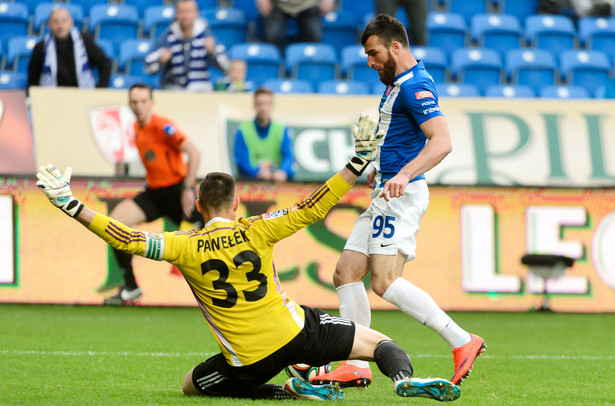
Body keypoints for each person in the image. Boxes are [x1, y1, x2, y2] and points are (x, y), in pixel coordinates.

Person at [35, 114, 461, 401]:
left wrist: (71, 205)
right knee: (382, 343)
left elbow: (126, 237)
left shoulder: (182, 245)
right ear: (236, 205)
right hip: (295, 335)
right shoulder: (257, 228)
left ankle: (284, 392)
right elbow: (313, 206)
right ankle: (405, 379)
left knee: (190, 386)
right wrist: (356, 161)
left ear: (198, 207)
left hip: (247, 361)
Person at [312, 14, 485, 389]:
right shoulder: (396, 85)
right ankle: (356, 362)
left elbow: (441, 141)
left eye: (373, 54)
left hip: (401, 196)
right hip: (384, 192)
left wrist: (404, 173)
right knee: (345, 273)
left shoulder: (414, 85)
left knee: (386, 281)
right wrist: (382, 167)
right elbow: (403, 138)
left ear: (395, 46)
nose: (370, 62)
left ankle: (461, 340)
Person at [103, 83, 203, 305]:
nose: (139, 106)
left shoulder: (163, 126)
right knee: (115, 224)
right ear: (129, 104)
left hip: (178, 193)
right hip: (155, 194)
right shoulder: (136, 127)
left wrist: (188, 188)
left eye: (143, 101)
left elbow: (194, 152)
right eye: (134, 102)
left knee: (212, 239)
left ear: (152, 103)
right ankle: (131, 288)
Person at [145, 0, 230, 91]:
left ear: (196, 13)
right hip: (173, 90)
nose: (185, 16)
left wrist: (213, 52)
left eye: (189, 12)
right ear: (176, 14)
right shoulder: (167, 38)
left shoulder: (206, 36)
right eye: (182, 12)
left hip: (200, 90)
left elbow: (226, 65)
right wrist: (160, 61)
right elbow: (148, 68)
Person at [27, 7, 111, 89]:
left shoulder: (85, 41)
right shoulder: (41, 47)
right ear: (49, 24)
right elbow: (33, 77)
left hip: (82, 96)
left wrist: (101, 88)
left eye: (64, 21)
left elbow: (105, 64)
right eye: (55, 22)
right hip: (53, 98)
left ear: (71, 23)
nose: (60, 26)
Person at [233, 87, 294, 182]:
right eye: (259, 104)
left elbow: (288, 156)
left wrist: (283, 171)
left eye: (267, 104)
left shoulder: (282, 129)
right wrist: (256, 172)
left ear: (272, 105)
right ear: (254, 105)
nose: (263, 108)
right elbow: (241, 161)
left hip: (276, 183)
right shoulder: (243, 130)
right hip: (250, 183)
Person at [256, 0, 335, 52]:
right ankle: (276, 69)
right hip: (278, 5)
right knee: (272, 36)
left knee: (314, 36)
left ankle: (303, 67)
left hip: (307, 4)